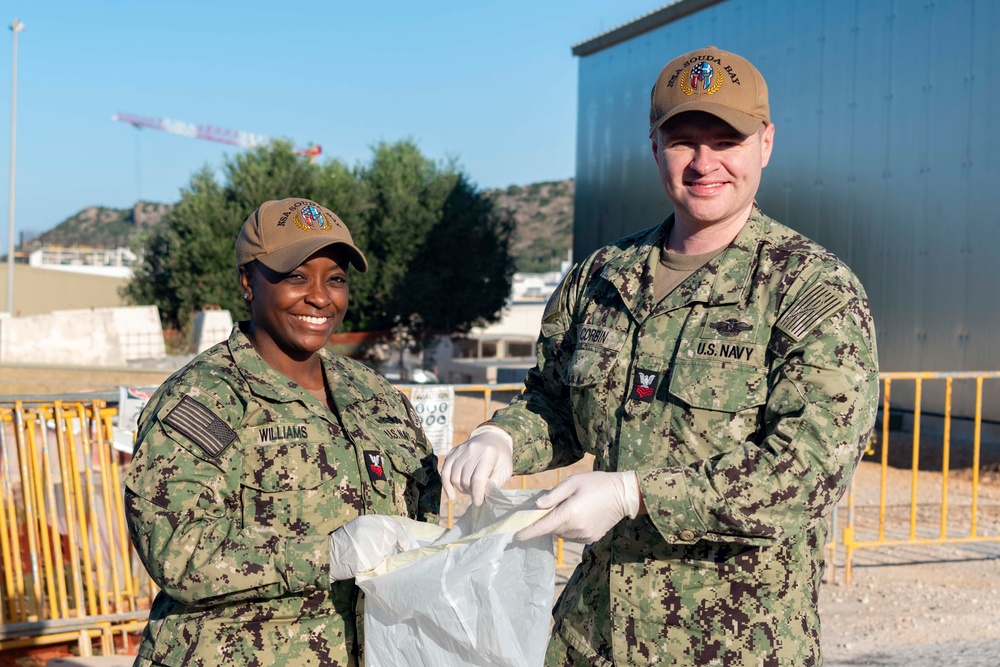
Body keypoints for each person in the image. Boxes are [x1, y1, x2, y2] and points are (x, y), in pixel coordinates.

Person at [442, 46, 879, 666]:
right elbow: (555, 402)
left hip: (732, 643)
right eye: (683, 140)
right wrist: (503, 438)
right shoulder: (601, 277)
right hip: (590, 639)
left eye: (725, 140)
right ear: (655, 147)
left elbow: (807, 474)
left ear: (766, 144)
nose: (704, 163)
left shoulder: (810, 290)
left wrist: (633, 494)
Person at [125, 198, 441, 667]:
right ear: (249, 282)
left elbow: (423, 513)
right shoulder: (205, 399)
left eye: (335, 279)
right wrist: (327, 554)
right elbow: (175, 550)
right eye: (296, 276)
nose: (320, 296)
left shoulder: (374, 395)